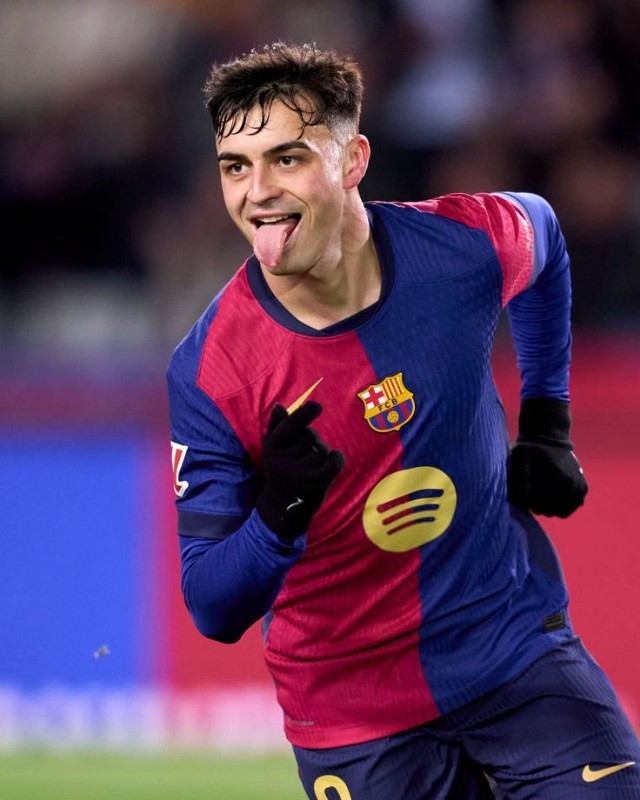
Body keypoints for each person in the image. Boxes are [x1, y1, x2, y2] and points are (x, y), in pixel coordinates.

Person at [166, 42, 640, 799]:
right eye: (235, 166)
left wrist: (548, 421)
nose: (257, 193)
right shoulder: (212, 371)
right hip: (354, 717)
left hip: (516, 656)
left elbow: (545, 235)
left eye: (287, 159)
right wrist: (279, 513)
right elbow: (211, 607)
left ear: (352, 160)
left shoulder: (461, 246)